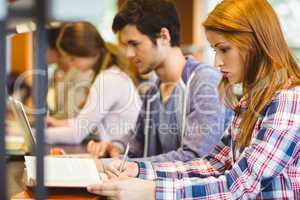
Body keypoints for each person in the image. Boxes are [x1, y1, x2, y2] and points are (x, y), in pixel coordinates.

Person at [87, 0, 300, 199]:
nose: (217, 62)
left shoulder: (289, 101)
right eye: (215, 50)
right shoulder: (248, 102)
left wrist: (151, 191)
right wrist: (138, 169)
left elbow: (238, 187)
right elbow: (212, 165)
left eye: (224, 49)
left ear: (256, 43)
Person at [86, 0, 229, 161]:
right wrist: (114, 147)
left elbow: (196, 158)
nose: (129, 54)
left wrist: (125, 165)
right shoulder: (153, 91)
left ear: (164, 36)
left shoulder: (205, 82)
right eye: (125, 46)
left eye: (134, 44)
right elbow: (136, 145)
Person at [45, 22, 141, 155]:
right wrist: (58, 123)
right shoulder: (107, 74)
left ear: (86, 51)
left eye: (73, 58)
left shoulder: (108, 79)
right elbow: (84, 122)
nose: (72, 64)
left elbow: (77, 133)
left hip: (121, 154)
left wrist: (38, 135)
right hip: (114, 151)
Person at [46, 26, 94, 119]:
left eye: (37, 48)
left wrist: (49, 121)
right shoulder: (57, 72)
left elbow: (71, 114)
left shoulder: (81, 71)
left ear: (56, 49)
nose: (35, 53)